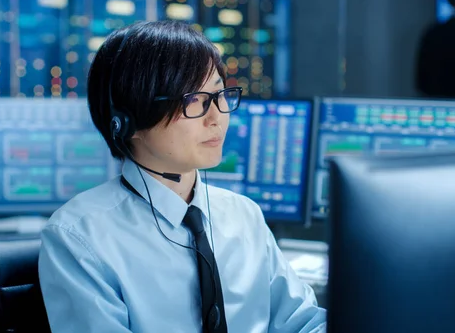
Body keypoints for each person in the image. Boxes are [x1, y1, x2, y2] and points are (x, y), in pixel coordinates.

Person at [38, 20, 327, 333]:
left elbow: (303, 321)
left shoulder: (243, 214)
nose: (217, 117)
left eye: (220, 94)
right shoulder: (79, 237)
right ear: (127, 122)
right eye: (194, 100)